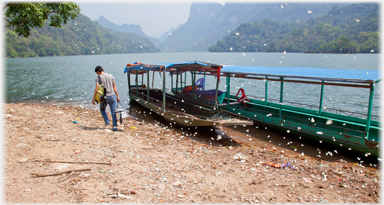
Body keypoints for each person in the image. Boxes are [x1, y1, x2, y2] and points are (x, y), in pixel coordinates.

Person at [92, 66, 120, 131]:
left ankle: (107, 122)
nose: (97, 74)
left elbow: (96, 88)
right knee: (113, 112)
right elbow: (114, 86)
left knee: (102, 109)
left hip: (104, 97)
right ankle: (115, 127)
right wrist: (117, 96)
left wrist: (94, 99)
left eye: (97, 73)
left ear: (98, 71)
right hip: (112, 96)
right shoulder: (111, 76)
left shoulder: (98, 77)